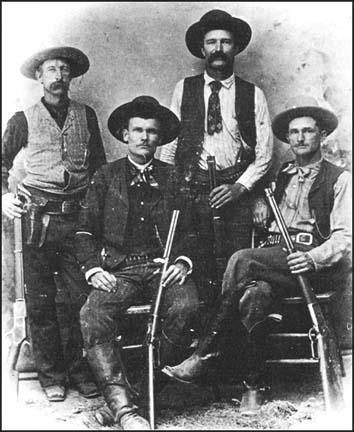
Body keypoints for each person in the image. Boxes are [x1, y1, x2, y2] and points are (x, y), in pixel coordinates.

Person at [162, 95, 351, 414]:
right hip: (277, 260)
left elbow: (345, 238)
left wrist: (313, 258)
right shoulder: (285, 176)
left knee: (240, 259)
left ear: (322, 136)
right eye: (294, 133)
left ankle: (206, 355)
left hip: (309, 263)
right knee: (254, 295)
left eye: (308, 131)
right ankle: (252, 385)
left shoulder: (340, 179)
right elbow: (269, 221)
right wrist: (260, 204)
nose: (300, 138)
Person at [75, 96, 200, 430]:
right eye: (138, 130)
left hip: (163, 268)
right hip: (120, 269)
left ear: (159, 138)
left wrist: (184, 262)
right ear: (125, 135)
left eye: (152, 132)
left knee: (186, 306)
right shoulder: (105, 176)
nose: (145, 137)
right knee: (92, 313)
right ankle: (126, 410)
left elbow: (194, 229)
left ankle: (131, 404)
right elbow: (84, 230)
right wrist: (93, 268)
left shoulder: (175, 178)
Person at [2, 46, 106, 401]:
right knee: (42, 301)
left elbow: (99, 170)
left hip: (77, 220)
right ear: (39, 77)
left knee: (80, 299)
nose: (58, 76)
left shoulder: (86, 115)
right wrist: (4, 197)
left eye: (64, 70)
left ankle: (80, 371)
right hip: (37, 221)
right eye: (51, 69)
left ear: (71, 77)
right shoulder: (22, 118)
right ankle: (51, 377)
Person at [159, 9, 273, 302]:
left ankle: (230, 344)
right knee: (198, 264)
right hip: (194, 190)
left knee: (235, 268)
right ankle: (204, 341)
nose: (218, 49)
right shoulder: (183, 89)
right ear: (202, 49)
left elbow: (264, 154)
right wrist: (164, 184)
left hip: (234, 192)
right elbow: (170, 141)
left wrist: (240, 189)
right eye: (212, 42)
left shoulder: (253, 94)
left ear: (235, 48)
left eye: (225, 42)